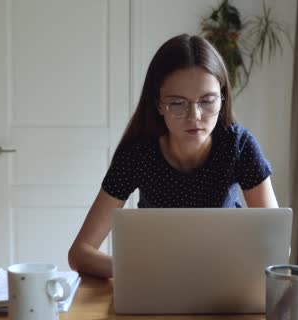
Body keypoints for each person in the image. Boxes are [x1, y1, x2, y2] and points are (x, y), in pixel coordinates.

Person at [68, 34, 278, 278]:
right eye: (177, 103)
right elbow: (80, 253)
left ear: (222, 98)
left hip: (225, 276)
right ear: (158, 105)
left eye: (207, 101)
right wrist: (137, 272)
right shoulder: (138, 152)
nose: (195, 116)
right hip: (155, 278)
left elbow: (274, 241)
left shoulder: (238, 145)